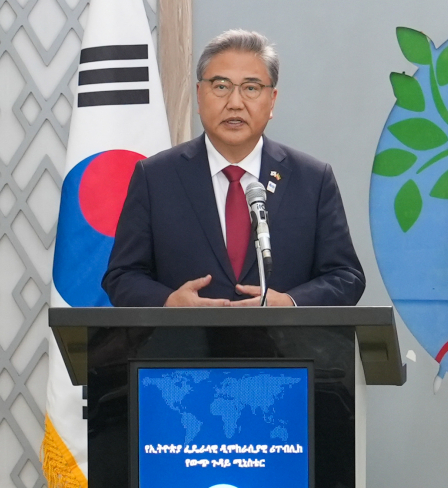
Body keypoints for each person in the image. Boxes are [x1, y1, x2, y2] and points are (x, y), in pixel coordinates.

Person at [103, 30, 365, 307]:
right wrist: (169, 304)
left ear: (272, 100)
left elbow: (346, 277)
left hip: (287, 347)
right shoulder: (156, 178)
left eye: (251, 88)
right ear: (199, 95)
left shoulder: (312, 180)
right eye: (221, 86)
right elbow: (122, 276)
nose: (235, 103)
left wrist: (291, 303)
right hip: (182, 347)